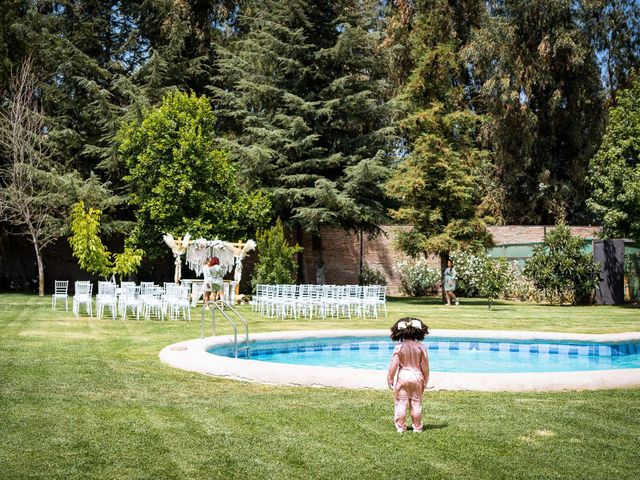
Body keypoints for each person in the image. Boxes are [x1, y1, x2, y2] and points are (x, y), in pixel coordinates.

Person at [387, 317, 430, 433]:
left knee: (401, 402)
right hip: (417, 376)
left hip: (403, 376)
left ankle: (401, 427)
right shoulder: (421, 346)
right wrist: (426, 379)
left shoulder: (399, 346)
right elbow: (425, 366)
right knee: (416, 402)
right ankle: (417, 427)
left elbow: (394, 365)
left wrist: (390, 378)